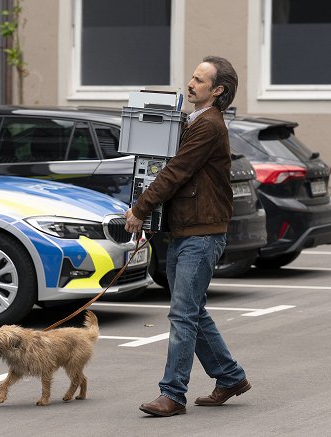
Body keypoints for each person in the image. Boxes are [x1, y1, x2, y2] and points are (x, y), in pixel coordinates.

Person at [125, 56, 250, 417]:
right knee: (193, 312)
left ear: (218, 90)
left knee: (183, 315)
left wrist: (140, 209)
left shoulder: (209, 125)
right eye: (192, 77)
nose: (190, 83)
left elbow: (176, 171)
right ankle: (230, 376)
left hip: (202, 233)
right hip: (188, 229)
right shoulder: (194, 121)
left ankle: (172, 394)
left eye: (199, 79)